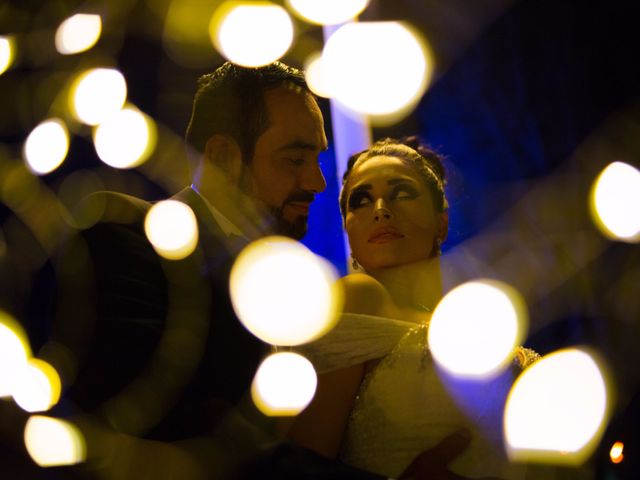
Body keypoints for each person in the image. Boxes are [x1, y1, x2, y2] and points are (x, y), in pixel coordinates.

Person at [47, 64, 468, 480]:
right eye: (295, 159)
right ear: (224, 158)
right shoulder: (132, 238)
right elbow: (178, 429)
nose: (318, 182)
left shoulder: (290, 296)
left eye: (317, 158)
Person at [288, 137, 540, 479]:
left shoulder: (477, 320)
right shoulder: (357, 297)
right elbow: (302, 463)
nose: (380, 209)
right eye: (360, 200)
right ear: (348, 227)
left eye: (402, 193)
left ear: (441, 220)